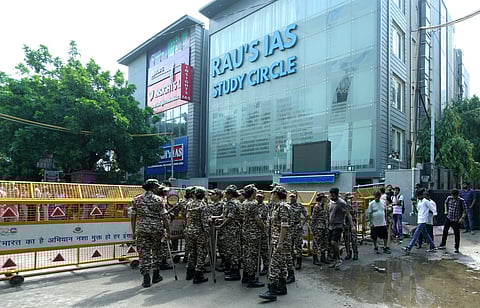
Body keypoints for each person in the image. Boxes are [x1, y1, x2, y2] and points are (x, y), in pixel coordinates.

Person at [130, 179, 171, 288]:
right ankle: (156, 275)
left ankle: (146, 277)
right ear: (153, 187)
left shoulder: (137, 199)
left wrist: (133, 231)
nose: (158, 188)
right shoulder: (159, 199)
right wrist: (168, 231)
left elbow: (133, 216)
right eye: (157, 186)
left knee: (143, 253)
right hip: (156, 228)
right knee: (156, 251)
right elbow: (164, 217)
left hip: (142, 228)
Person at [259, 185, 291, 301]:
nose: (271, 195)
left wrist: (280, 243)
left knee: (274, 265)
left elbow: (284, 226)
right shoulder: (276, 207)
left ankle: (272, 291)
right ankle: (282, 287)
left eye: (272, 193)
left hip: (280, 241)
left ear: (276, 194)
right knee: (281, 266)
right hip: (276, 240)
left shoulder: (283, 207)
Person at [216, 185, 242, 281]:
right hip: (231, 230)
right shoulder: (232, 203)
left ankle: (235, 272)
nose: (225, 195)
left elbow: (230, 218)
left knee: (233, 251)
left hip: (232, 230)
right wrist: (217, 219)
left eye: (226, 193)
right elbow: (224, 215)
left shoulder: (232, 204)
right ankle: (232, 269)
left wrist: (220, 226)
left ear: (230, 194)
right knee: (230, 251)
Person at [241, 184, 265, 288]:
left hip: (246, 231)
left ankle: (246, 276)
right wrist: (264, 227)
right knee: (252, 255)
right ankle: (251, 278)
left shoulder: (244, 203)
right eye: (255, 193)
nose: (256, 194)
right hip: (253, 233)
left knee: (247, 254)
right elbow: (258, 219)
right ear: (252, 194)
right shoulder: (253, 204)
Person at [184, 186, 210, 284]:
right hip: (199, 231)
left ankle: (189, 272)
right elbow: (204, 221)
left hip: (189, 230)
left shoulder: (189, 204)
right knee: (201, 253)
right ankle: (198, 274)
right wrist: (207, 233)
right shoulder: (203, 205)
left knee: (192, 252)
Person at [403, 189, 437, 254]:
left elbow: (433, 209)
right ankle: (432, 246)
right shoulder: (419, 201)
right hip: (420, 219)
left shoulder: (426, 201)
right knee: (425, 234)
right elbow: (418, 210)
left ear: (421, 195)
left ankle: (409, 247)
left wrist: (434, 217)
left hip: (423, 220)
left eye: (419, 195)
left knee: (416, 234)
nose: (418, 197)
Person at [328, 187, 354, 270]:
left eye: (333, 195)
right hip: (331, 225)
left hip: (338, 225)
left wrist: (352, 226)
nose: (331, 196)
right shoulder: (330, 202)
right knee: (330, 243)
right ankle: (335, 259)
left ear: (336, 194)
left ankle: (338, 259)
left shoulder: (342, 203)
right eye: (330, 194)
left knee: (334, 242)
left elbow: (348, 214)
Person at [288, 190, 308, 270]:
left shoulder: (300, 206)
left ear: (296, 197)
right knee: (289, 245)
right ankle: (291, 261)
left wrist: (302, 224)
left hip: (297, 227)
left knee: (298, 246)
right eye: (291, 196)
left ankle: (299, 262)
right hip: (289, 227)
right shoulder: (287, 205)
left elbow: (306, 216)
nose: (292, 198)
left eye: (293, 196)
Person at [208, 189, 226, 271]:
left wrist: (214, 218)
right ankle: (212, 259)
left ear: (218, 195)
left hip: (220, 228)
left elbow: (224, 215)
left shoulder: (223, 204)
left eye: (213, 194)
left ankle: (224, 261)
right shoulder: (210, 205)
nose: (210, 195)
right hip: (211, 227)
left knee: (221, 245)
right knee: (211, 244)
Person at [311, 192, 330, 266]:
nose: (325, 198)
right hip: (318, 227)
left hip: (324, 227)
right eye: (324, 197)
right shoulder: (317, 206)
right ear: (321, 198)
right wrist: (313, 228)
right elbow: (313, 218)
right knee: (316, 243)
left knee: (324, 242)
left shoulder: (324, 206)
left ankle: (323, 257)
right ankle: (315, 259)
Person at [256, 190, 270, 276]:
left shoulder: (265, 207)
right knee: (256, 250)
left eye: (260, 197)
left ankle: (266, 267)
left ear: (263, 198)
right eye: (257, 196)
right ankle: (257, 266)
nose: (258, 198)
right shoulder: (253, 205)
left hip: (263, 230)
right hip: (255, 231)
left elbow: (260, 219)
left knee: (264, 250)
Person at [343, 193, 358, 260]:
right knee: (346, 239)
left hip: (353, 223)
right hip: (345, 223)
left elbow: (354, 212)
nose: (349, 199)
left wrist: (349, 206)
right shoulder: (343, 204)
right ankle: (348, 253)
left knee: (353, 239)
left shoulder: (354, 204)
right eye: (348, 198)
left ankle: (355, 253)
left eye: (350, 198)